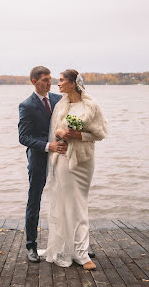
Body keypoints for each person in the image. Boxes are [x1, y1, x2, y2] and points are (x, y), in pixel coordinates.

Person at [42, 69, 108, 270]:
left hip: (84, 161)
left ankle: (77, 249)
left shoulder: (91, 106)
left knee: (80, 202)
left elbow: (100, 133)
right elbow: (55, 131)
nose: (58, 83)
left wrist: (79, 136)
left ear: (73, 83)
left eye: (62, 80)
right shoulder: (61, 105)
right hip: (64, 160)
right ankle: (78, 252)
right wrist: (61, 132)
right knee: (71, 204)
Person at [18, 66, 67, 263]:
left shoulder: (58, 100)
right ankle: (31, 245)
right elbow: (23, 137)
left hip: (61, 156)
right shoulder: (26, 105)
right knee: (34, 199)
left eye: (50, 79)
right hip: (38, 156)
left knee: (67, 197)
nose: (49, 83)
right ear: (34, 81)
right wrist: (48, 146)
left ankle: (74, 246)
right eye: (45, 80)